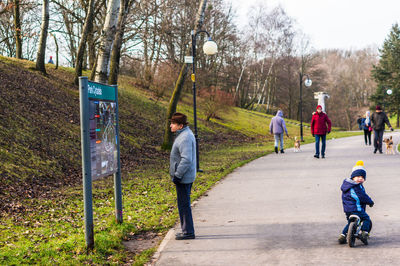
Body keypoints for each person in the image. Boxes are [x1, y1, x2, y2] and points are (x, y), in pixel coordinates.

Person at [169, 112, 196, 240]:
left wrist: (178, 175)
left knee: (184, 205)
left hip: (183, 177)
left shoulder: (185, 137)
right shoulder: (184, 134)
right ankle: (187, 230)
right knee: (184, 204)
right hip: (185, 176)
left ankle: (188, 232)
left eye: (173, 123)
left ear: (180, 126)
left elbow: (186, 159)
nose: (170, 126)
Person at [338, 161, 374, 245]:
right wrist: (370, 202)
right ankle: (364, 233)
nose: (360, 178)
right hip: (356, 208)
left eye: (362, 177)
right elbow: (362, 196)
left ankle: (343, 236)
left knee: (350, 222)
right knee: (366, 218)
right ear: (353, 177)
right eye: (358, 176)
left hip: (347, 209)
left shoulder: (347, 186)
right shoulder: (356, 186)